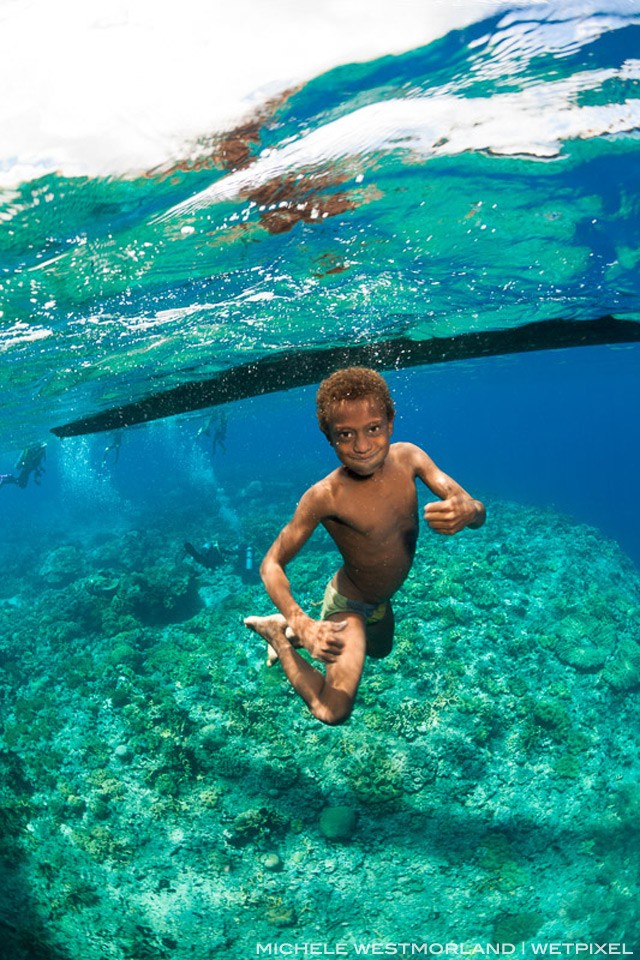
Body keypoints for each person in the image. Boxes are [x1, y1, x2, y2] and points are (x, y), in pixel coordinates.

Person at [245, 367, 485, 726]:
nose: (361, 445)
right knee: (333, 709)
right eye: (345, 434)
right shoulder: (324, 496)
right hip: (349, 602)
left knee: (382, 652)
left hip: (380, 600)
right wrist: (304, 622)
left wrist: (469, 511)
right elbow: (270, 564)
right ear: (328, 437)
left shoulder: (410, 457)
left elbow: (474, 508)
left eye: (373, 428)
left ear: (390, 421)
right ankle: (278, 634)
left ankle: (290, 631)